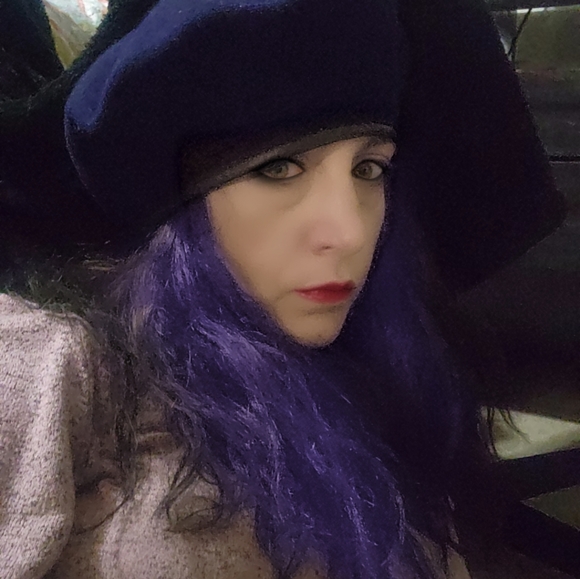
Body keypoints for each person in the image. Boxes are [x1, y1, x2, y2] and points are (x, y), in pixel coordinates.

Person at [0, 0, 566, 578]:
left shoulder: (392, 378)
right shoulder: (55, 365)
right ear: (178, 210)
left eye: (369, 169)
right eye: (279, 169)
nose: (350, 232)